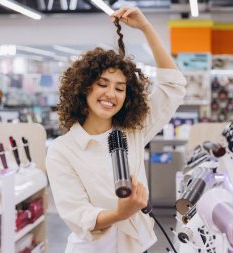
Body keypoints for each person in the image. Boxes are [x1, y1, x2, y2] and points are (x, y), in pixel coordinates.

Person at [46, 7, 186, 253]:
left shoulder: (132, 131)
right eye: (102, 84)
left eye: (120, 88)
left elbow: (172, 85)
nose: (111, 94)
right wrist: (120, 213)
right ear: (84, 88)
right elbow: (79, 215)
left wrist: (146, 28)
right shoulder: (62, 151)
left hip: (138, 245)